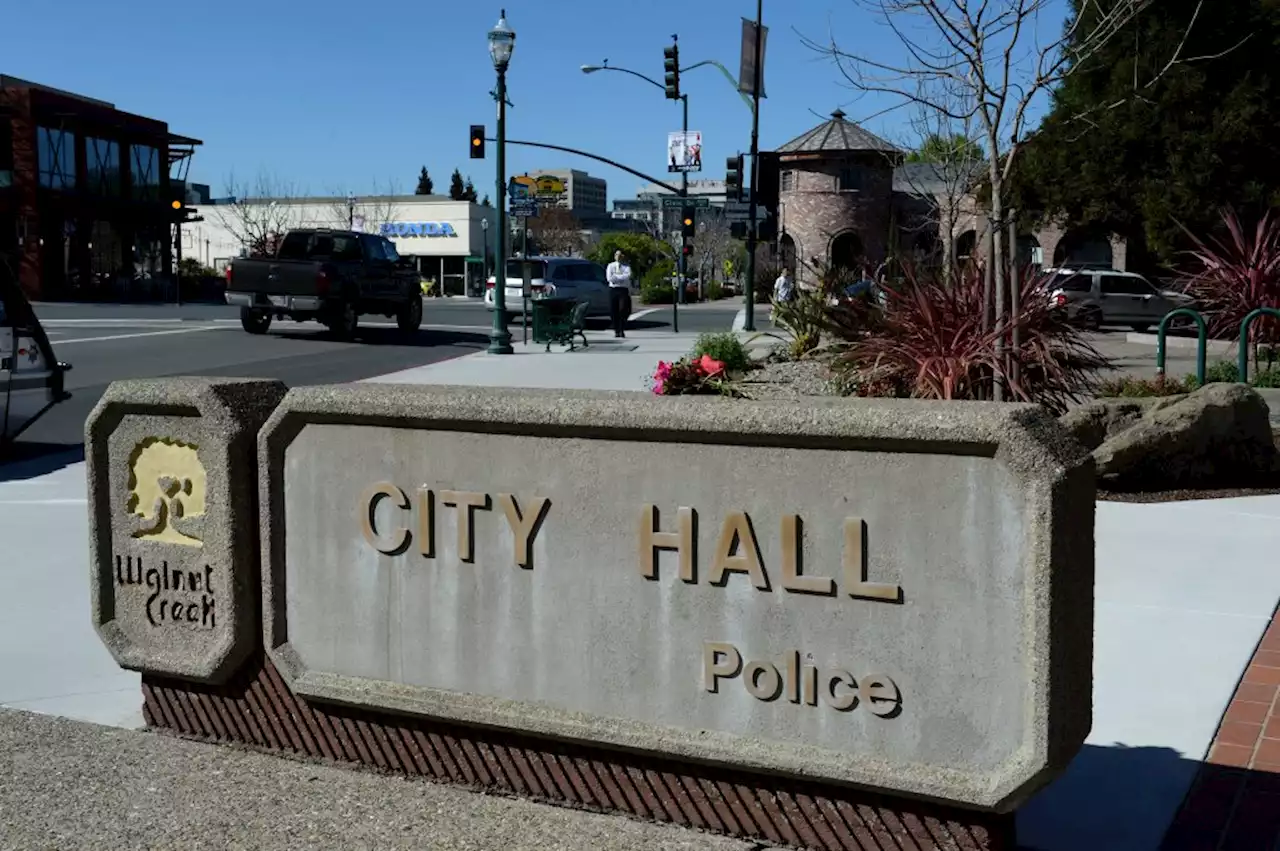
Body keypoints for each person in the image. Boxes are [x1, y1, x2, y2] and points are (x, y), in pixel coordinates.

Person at [605, 250, 633, 337]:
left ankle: (622, 329)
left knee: (623, 309)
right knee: (613, 310)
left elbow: (627, 276)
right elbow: (609, 278)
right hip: (613, 290)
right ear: (614, 256)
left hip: (623, 290)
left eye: (620, 255)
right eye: (617, 255)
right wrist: (620, 278)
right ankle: (616, 330)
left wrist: (616, 277)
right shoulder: (610, 266)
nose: (618, 256)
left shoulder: (626, 267)